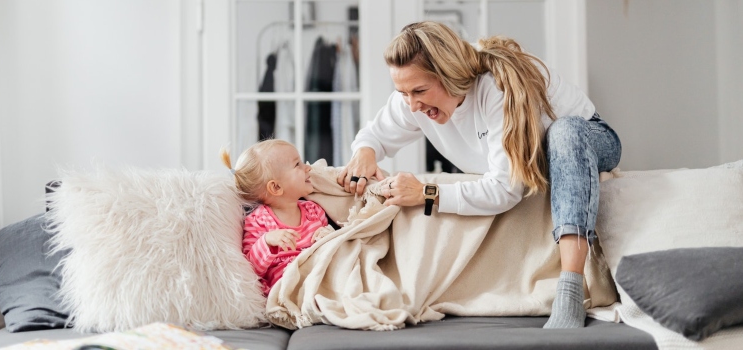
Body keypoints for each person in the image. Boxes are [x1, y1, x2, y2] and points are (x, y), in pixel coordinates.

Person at [336, 21, 621, 329]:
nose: (412, 105)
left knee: (564, 131)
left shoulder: (495, 89)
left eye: (419, 91)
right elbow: (375, 134)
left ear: (449, 74)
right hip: (537, 156)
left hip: (589, 137)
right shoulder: (411, 98)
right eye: (403, 93)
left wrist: (427, 193)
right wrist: (364, 152)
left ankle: (570, 289)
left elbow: (506, 189)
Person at [222, 139, 331, 296]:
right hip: (289, 289)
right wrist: (267, 242)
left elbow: (331, 250)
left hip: (321, 279)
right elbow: (251, 269)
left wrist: (327, 237)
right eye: (297, 165)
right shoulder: (258, 221)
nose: (307, 167)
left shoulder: (314, 211)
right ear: (276, 187)